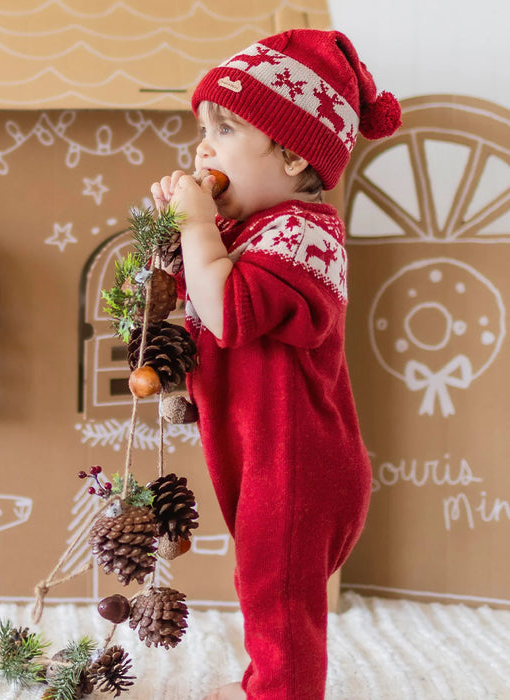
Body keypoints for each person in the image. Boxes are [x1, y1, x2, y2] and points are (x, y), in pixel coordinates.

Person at [150, 29, 401, 700]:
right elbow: (197, 292)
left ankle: (282, 693)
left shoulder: (305, 237)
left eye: (226, 126)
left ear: (292, 154)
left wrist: (198, 227)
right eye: (202, 127)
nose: (204, 146)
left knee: (279, 598)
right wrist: (182, 235)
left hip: (301, 466)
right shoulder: (254, 232)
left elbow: (227, 310)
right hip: (267, 458)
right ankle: (270, 681)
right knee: (264, 585)